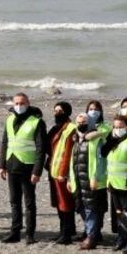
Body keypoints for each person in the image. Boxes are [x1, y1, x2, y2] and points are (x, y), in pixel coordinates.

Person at [0, 93, 47, 244]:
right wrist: (2, 166)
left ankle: (30, 235)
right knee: (14, 202)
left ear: (28, 103)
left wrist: (37, 171)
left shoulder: (37, 122)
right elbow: (5, 143)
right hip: (12, 165)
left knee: (29, 203)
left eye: (22, 103)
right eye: (16, 103)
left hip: (28, 166)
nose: (19, 106)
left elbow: (41, 148)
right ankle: (15, 232)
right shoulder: (9, 119)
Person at [68, 111, 108, 250]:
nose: (81, 124)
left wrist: (96, 177)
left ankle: (91, 237)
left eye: (84, 122)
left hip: (92, 180)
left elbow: (99, 161)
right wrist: (70, 179)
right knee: (82, 208)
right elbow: (72, 161)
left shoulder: (96, 139)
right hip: (78, 179)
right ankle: (93, 233)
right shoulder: (76, 139)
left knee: (91, 209)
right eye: (79, 122)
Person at [101, 113, 127, 253]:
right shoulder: (114, 141)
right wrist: (111, 138)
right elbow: (103, 152)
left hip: (126, 184)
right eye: (115, 127)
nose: (117, 129)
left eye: (120, 127)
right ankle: (121, 239)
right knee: (118, 213)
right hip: (113, 183)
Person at [46, 101, 78, 244]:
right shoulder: (55, 128)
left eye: (60, 111)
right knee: (59, 203)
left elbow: (68, 152)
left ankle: (67, 234)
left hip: (62, 172)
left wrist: (63, 172)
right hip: (53, 170)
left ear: (67, 112)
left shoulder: (71, 128)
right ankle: (65, 231)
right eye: (55, 110)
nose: (57, 113)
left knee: (65, 203)